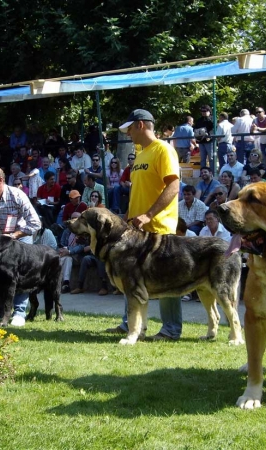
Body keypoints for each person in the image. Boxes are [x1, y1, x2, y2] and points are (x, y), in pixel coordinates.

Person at [109, 108, 182, 342]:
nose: (128, 133)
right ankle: (130, 324)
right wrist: (128, 218)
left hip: (160, 227)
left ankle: (171, 329)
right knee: (130, 275)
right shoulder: (140, 154)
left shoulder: (163, 150)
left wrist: (149, 215)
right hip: (137, 228)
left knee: (168, 277)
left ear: (141, 125)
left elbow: (173, 186)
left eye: (130, 128)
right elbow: (138, 190)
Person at [0, 166, 41, 327]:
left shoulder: (17, 195)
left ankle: (19, 312)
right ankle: (1, 311)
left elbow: (35, 223)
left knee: (20, 274)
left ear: (1, 180)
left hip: (21, 237)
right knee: (1, 277)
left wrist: (14, 236)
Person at [193, 105, 215, 170]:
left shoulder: (212, 119)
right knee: (203, 158)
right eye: (202, 111)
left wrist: (208, 118)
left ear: (209, 111)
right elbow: (195, 128)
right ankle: (203, 172)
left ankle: (212, 172)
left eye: (205, 111)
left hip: (209, 141)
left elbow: (214, 129)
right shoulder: (199, 120)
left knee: (211, 158)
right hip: (201, 141)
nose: (203, 112)